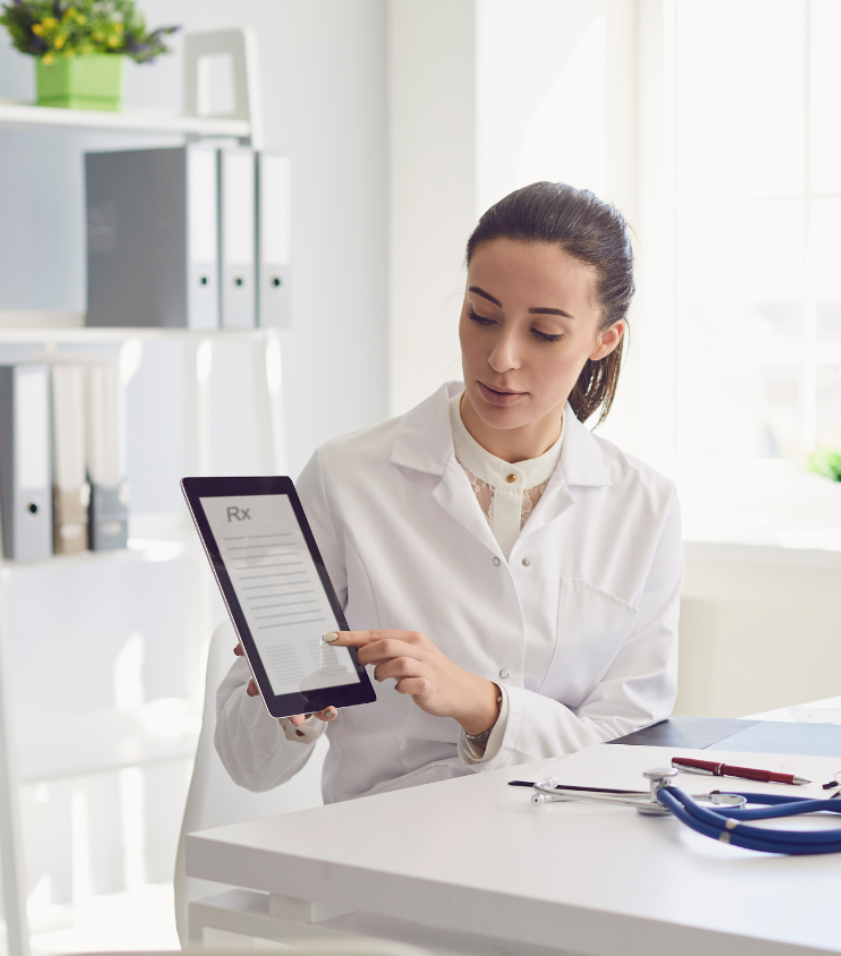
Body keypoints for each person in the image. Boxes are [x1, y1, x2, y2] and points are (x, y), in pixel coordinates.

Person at [214, 182, 681, 802]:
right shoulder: (347, 476)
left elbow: (630, 745)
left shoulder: (644, 506)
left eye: (543, 333)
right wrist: (290, 705)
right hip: (386, 858)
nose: (501, 357)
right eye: (482, 316)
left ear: (604, 339)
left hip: (567, 854)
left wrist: (484, 706)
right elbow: (248, 765)